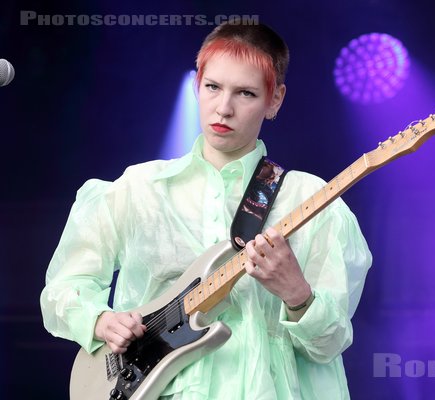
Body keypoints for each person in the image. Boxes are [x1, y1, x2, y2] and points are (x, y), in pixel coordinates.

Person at [40, 21, 372, 400]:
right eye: (213, 87)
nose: (224, 108)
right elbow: (63, 290)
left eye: (245, 93)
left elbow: (328, 346)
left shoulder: (313, 200)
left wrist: (297, 294)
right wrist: (101, 321)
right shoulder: (138, 189)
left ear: (275, 99)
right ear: (197, 85)